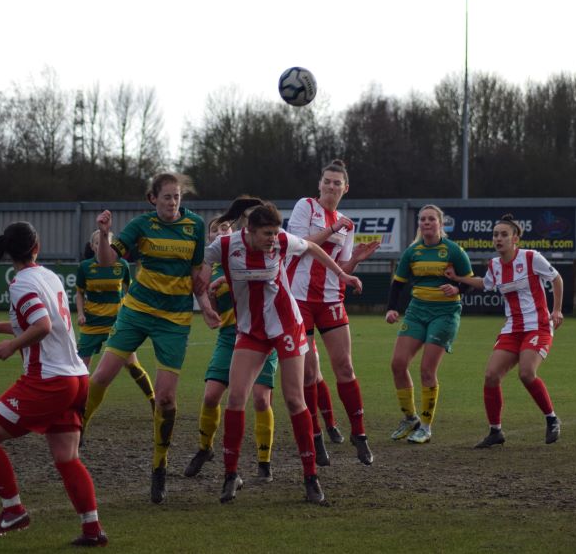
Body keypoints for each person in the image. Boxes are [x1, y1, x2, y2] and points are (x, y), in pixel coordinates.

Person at [201, 201, 362, 505]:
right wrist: (206, 295)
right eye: (267, 233)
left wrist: (342, 275)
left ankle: (311, 476)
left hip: (287, 325)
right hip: (251, 330)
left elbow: (314, 249)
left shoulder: (284, 241)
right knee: (236, 398)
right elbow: (201, 269)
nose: (274, 239)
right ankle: (231, 474)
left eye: (276, 233)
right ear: (248, 232)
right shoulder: (225, 245)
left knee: (293, 399)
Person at [0, 221, 108, 547]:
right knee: (66, 457)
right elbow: (51, 323)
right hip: (75, 377)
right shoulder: (50, 276)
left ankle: (13, 510)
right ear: (37, 247)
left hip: (48, 381)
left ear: (8, 252)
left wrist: (12, 345)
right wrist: (0, 327)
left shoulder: (19, 284)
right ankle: (92, 530)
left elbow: (42, 325)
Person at [83, 172, 217, 505]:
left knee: (167, 400)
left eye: (177, 197)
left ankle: (159, 465)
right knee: (101, 376)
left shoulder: (195, 226)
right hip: (136, 311)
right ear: (152, 198)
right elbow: (107, 262)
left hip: (174, 320)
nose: (172, 202)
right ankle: (77, 426)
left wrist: (206, 307)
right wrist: (104, 234)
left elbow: (196, 274)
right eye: (167, 197)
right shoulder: (140, 225)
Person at [286, 159, 381, 466]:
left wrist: (356, 259)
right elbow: (297, 246)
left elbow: (340, 269)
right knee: (310, 373)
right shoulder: (305, 207)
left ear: (345, 188)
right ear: (319, 184)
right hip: (299, 299)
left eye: (336, 182)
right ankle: (315, 436)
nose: (330, 186)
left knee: (345, 367)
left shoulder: (346, 223)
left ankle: (360, 434)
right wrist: (330, 229)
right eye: (326, 181)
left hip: (330, 299)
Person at [445, 214, 564, 447]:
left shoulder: (531, 257)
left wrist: (557, 310)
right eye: (495, 235)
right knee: (491, 376)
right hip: (512, 328)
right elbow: (485, 283)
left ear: (515, 239)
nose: (498, 239)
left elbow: (557, 279)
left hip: (538, 326)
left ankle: (551, 419)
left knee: (526, 373)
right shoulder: (495, 265)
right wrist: (459, 279)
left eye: (503, 235)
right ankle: (495, 431)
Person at [184, 204, 280, 482]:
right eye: (215, 230)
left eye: (225, 228)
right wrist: (208, 305)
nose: (220, 232)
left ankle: (264, 460)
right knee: (211, 395)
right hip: (230, 338)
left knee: (262, 399)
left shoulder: (262, 252)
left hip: (262, 335)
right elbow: (204, 292)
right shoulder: (213, 266)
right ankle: (205, 448)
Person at [386, 204, 473, 445]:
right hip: (416, 312)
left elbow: (469, 280)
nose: (426, 223)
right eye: (422, 219)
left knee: (427, 370)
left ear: (440, 224)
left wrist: (457, 288)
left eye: (431, 219)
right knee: (398, 364)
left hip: (445, 314)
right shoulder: (413, 252)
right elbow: (398, 283)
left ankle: (425, 426)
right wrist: (392, 308)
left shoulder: (454, 250)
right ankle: (410, 418)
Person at [75, 229, 155, 412]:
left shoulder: (123, 266)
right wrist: (80, 313)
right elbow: (79, 293)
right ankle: (76, 406)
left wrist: (133, 314)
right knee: (80, 369)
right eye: (97, 243)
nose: (101, 245)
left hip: (117, 324)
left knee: (133, 366)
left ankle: (154, 400)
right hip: (92, 324)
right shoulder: (85, 267)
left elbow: (130, 291)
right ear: (92, 246)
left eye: (106, 242)